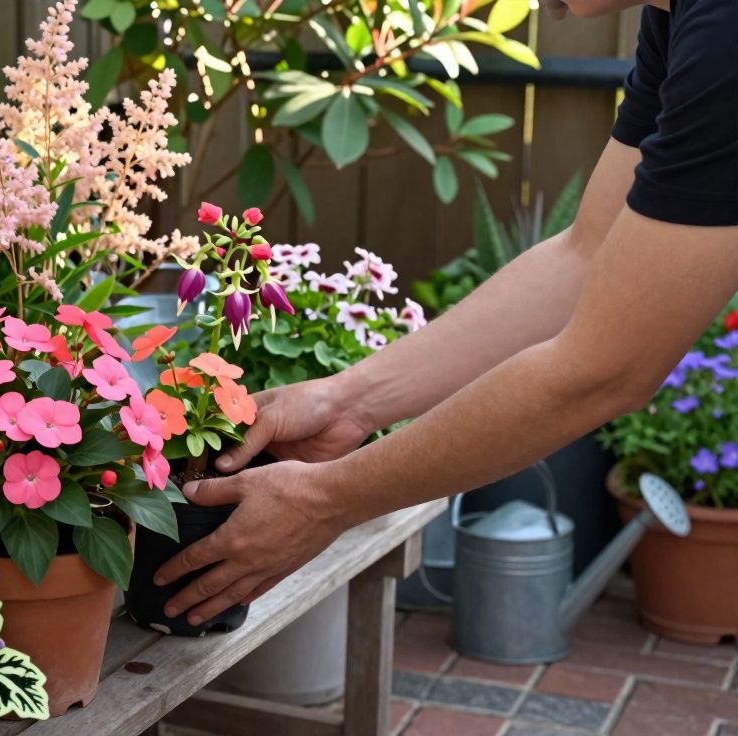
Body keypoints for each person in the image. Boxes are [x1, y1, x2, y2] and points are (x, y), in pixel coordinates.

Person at [156, 0, 738, 627]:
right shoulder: (677, 16)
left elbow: (605, 367)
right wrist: (350, 400)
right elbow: (585, 254)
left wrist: (328, 498)